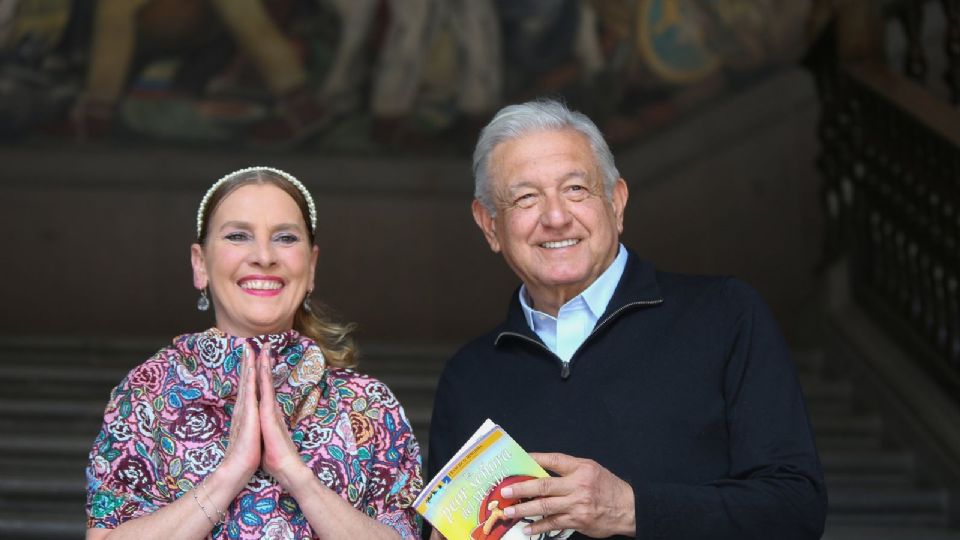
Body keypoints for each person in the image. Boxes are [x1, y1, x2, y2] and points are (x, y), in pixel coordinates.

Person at [426, 99, 827, 539]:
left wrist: (630, 509)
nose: (556, 217)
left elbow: (796, 509)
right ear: (489, 226)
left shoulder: (725, 315)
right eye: (525, 198)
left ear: (616, 203)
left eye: (576, 189)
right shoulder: (469, 377)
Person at [85, 166, 423, 539]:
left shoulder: (368, 406)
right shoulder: (146, 393)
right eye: (237, 235)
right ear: (200, 264)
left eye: (285, 237)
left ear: (311, 266)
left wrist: (296, 475)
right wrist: (230, 474)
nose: (264, 256)